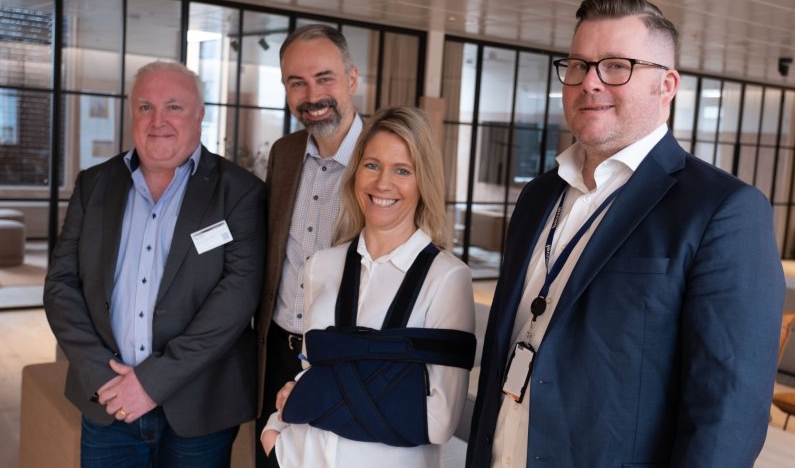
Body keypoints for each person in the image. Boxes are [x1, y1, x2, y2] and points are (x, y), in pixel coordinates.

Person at [466, 0, 786, 467]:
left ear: (667, 85)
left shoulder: (723, 210)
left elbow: (728, 411)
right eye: (579, 65)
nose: (590, 82)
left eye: (617, 66)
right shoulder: (538, 196)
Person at [43, 61, 267, 466]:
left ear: (200, 114)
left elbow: (237, 298)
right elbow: (60, 285)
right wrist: (103, 376)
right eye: (145, 107)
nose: (158, 121)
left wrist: (149, 383)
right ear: (132, 113)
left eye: (174, 107)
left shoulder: (239, 192)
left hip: (201, 405)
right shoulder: (94, 184)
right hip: (108, 401)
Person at [260, 106, 475, 467]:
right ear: (355, 172)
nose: (382, 183)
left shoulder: (448, 278)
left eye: (402, 170)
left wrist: (312, 397)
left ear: (423, 182)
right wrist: (274, 435)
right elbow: (309, 371)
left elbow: (437, 422)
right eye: (372, 165)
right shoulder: (320, 266)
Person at [254, 23, 365, 467]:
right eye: (296, 82)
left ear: (352, 78)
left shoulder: (386, 156)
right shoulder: (284, 153)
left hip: (344, 358)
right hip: (278, 352)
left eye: (324, 78)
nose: (312, 95)